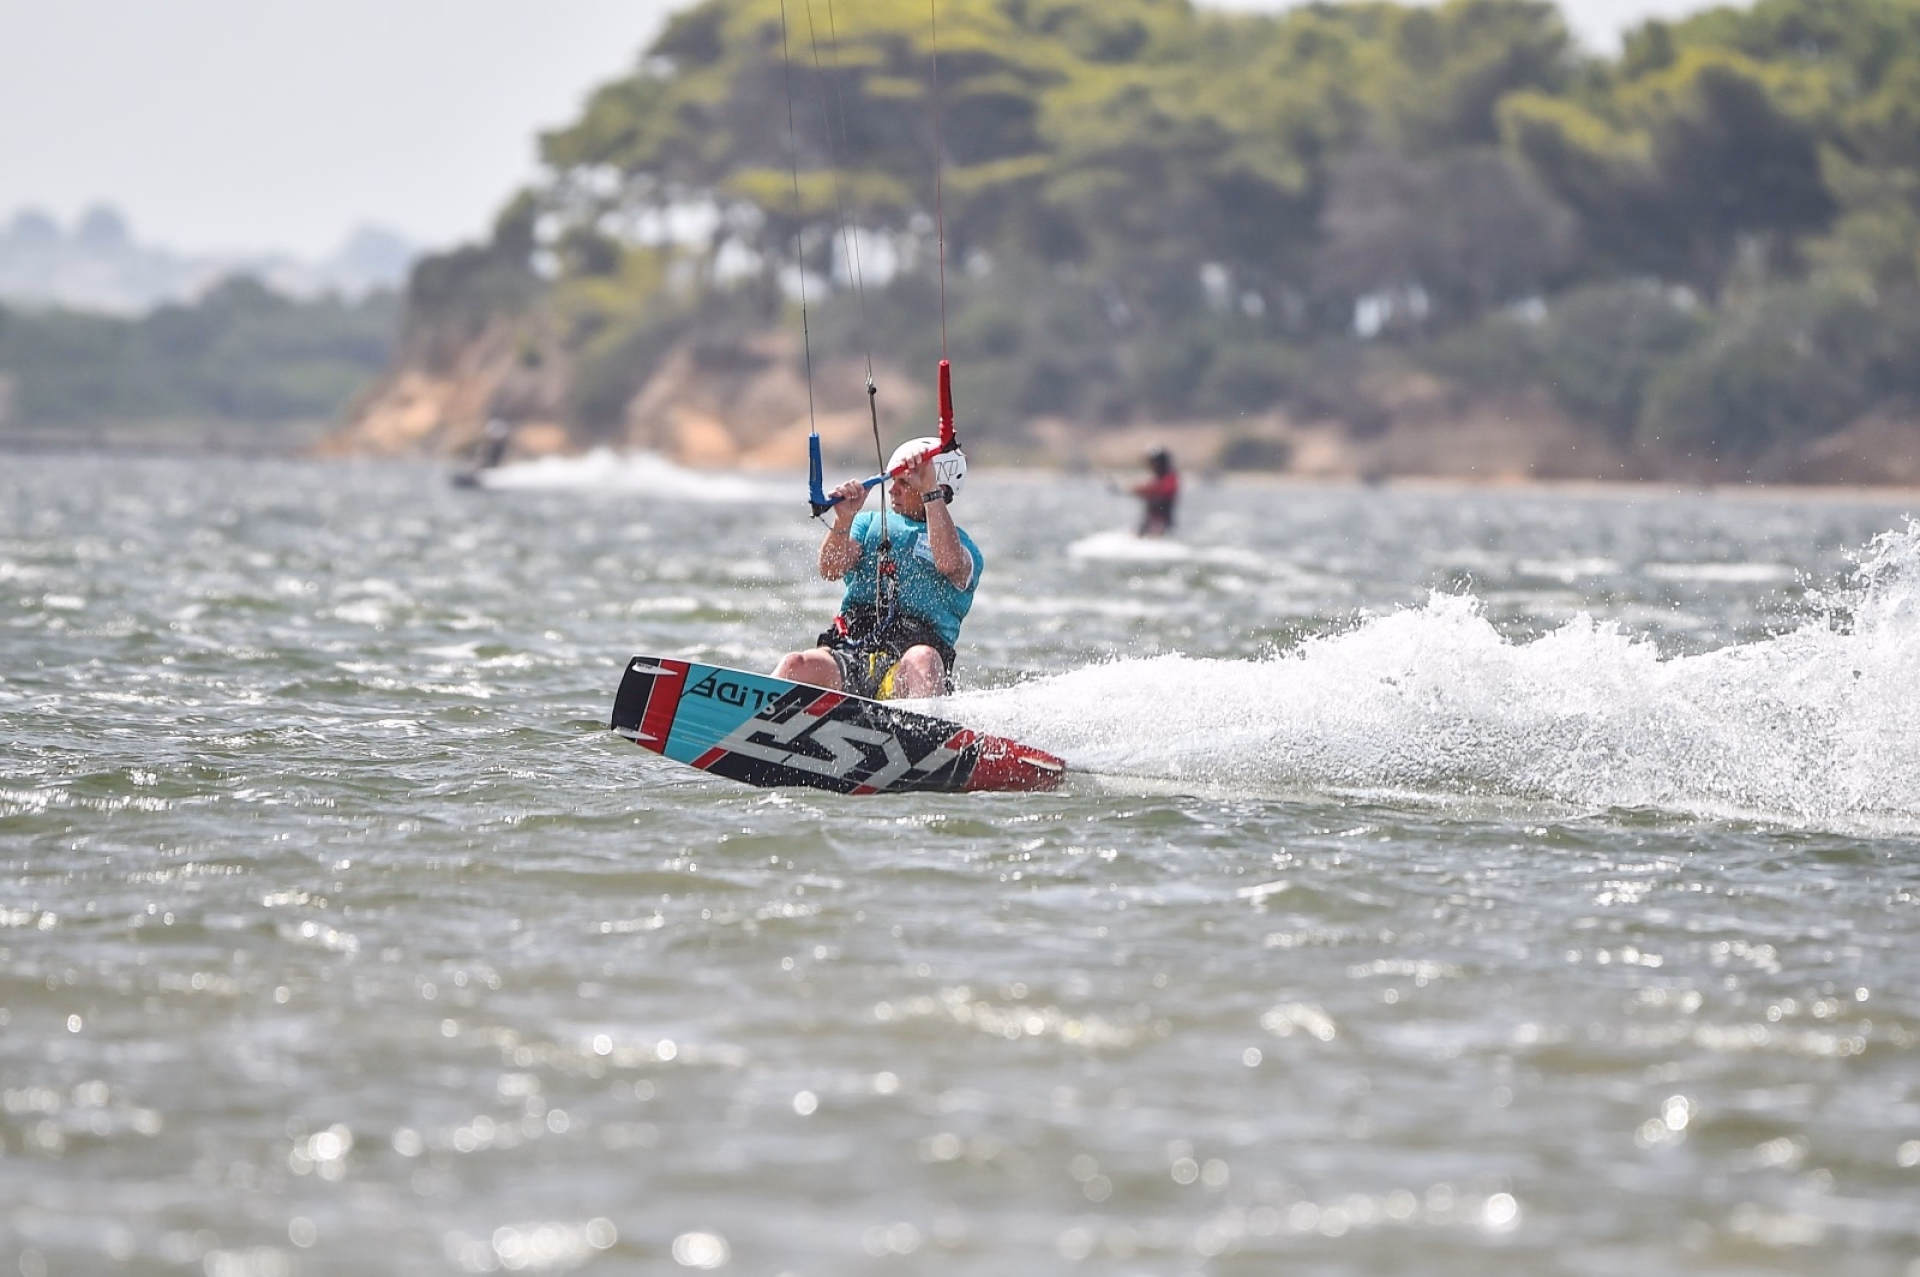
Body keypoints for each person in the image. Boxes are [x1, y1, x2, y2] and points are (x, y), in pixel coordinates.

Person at [774, 437, 981, 700]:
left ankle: (924, 722)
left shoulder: (962, 547)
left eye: (904, 483)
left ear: (937, 487)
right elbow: (830, 569)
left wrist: (930, 492)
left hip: (908, 669)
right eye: (893, 481)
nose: (892, 490)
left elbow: (950, 563)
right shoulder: (868, 523)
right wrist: (844, 519)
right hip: (852, 650)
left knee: (924, 659)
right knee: (795, 664)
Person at [1132, 445, 1179, 537]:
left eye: (1152, 462)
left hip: (1162, 524)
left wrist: (1136, 489)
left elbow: (1156, 489)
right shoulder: (1154, 479)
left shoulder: (1170, 478)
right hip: (1148, 523)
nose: (1150, 465)